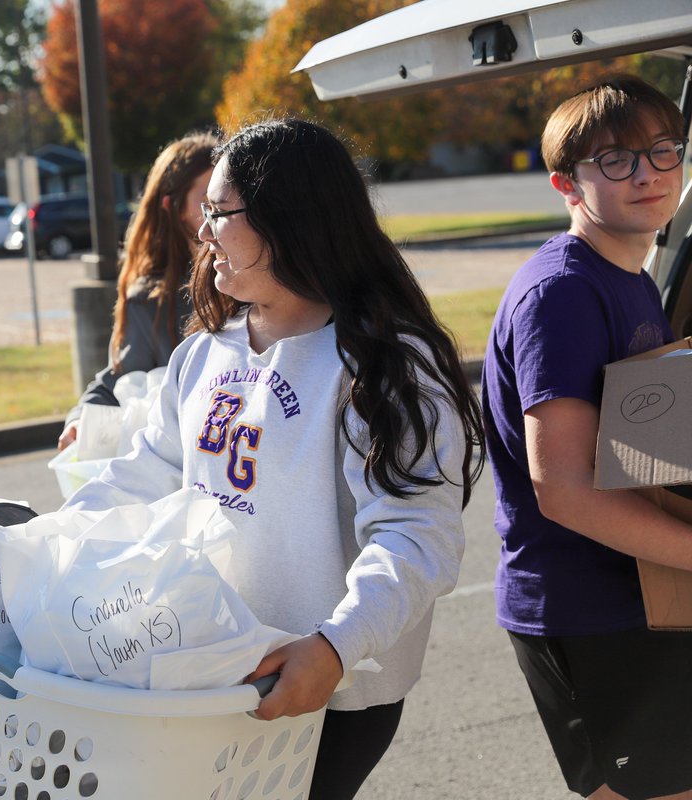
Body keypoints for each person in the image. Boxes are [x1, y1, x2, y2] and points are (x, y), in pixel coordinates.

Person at [64, 117, 484, 798]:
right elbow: (145, 474)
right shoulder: (204, 351)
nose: (203, 234)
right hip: (211, 680)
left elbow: (417, 536)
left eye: (220, 213)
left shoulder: (382, 363)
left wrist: (334, 646)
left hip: (329, 693)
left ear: (290, 222)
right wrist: (45, 543)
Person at [482, 75, 692, 800]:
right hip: (586, 611)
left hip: (642, 594)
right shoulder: (562, 293)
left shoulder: (629, 276)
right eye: (617, 160)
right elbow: (565, 490)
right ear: (566, 184)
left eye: (663, 151)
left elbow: (646, 449)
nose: (648, 174)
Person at [57, 132, 218, 450]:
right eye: (207, 202)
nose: (220, 212)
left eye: (229, 197)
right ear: (172, 207)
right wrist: (80, 421)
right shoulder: (151, 301)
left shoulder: (260, 276)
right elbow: (120, 382)